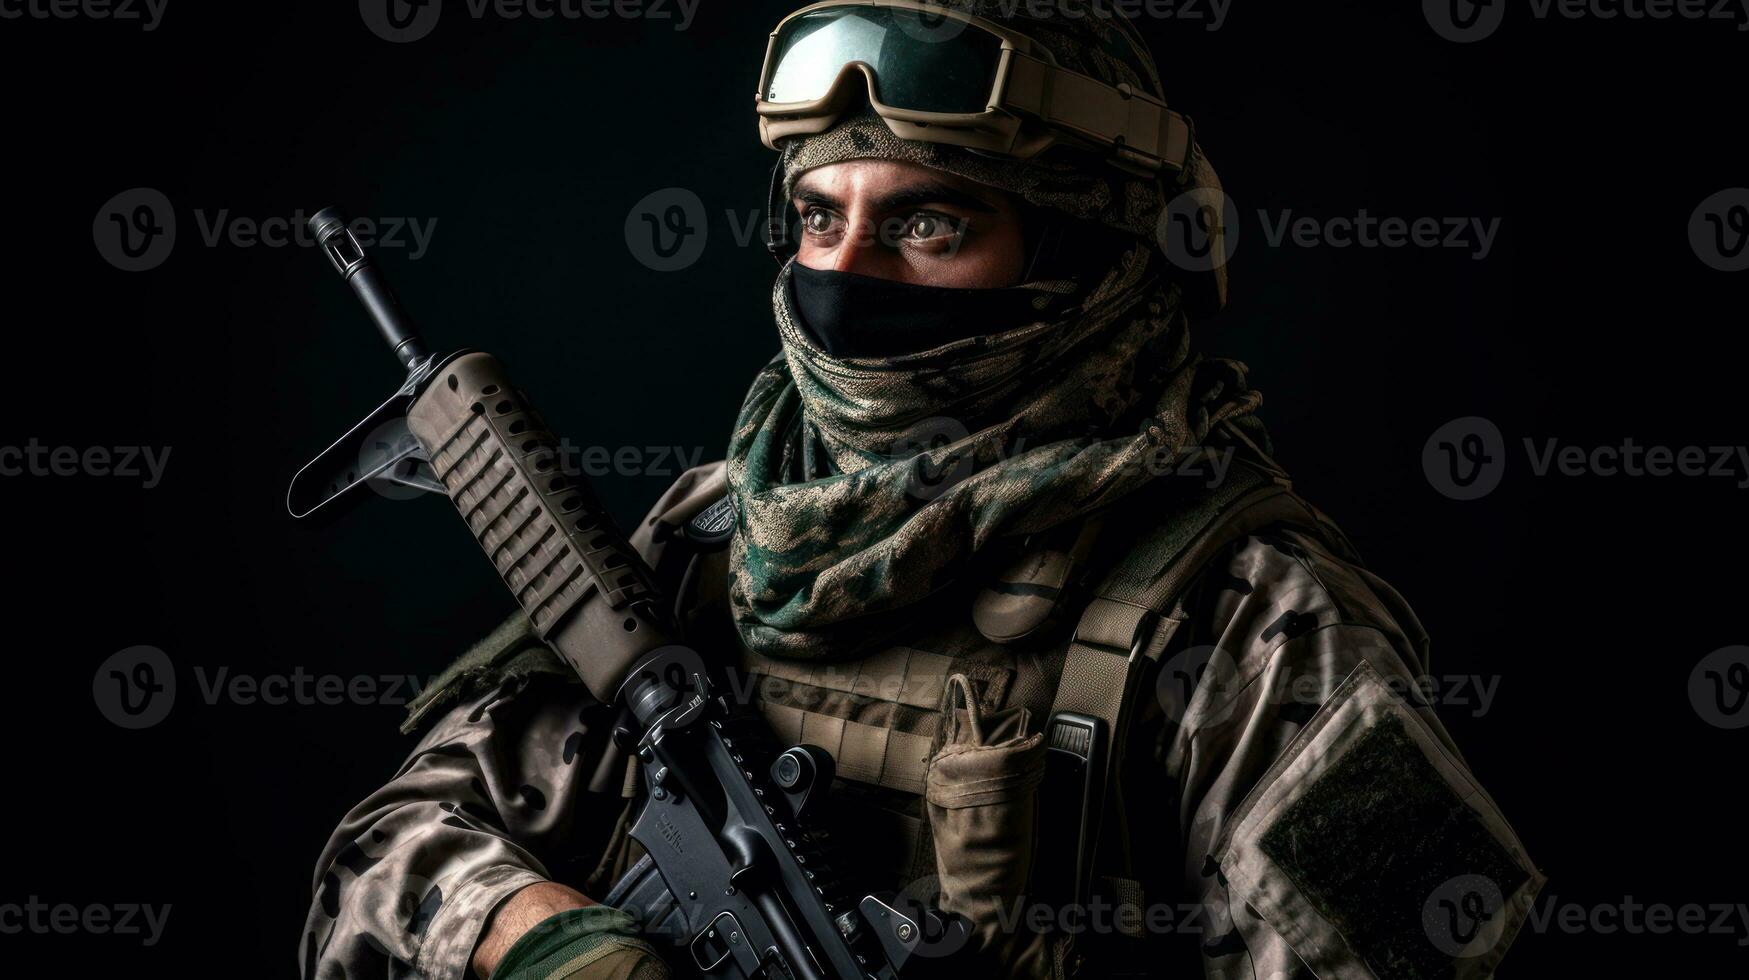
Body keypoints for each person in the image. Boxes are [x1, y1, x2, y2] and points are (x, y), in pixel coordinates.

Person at [301, 3, 1541, 978]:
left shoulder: (1245, 624)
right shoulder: (715, 539)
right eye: (816, 217)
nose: (847, 274)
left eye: (931, 226)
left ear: (1083, 251)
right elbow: (377, 858)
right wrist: (539, 936)